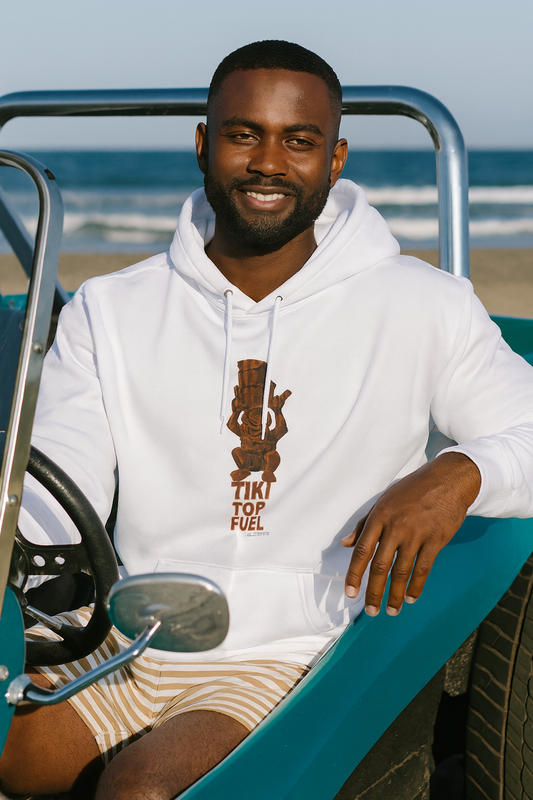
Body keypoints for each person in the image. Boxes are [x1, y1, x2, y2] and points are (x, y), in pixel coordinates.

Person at [2, 39, 533, 800]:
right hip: (127, 627)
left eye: (299, 140)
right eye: (243, 134)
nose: (268, 162)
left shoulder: (423, 305)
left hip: (292, 647)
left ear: (336, 157)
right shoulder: (110, 310)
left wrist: (460, 470)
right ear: (203, 144)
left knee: (143, 791)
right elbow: (56, 500)